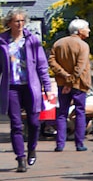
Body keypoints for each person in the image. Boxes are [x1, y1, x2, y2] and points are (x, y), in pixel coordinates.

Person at [0, 9, 53, 172]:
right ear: (9, 23)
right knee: (16, 125)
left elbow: (42, 66)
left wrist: (48, 88)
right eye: (16, 21)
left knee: (34, 122)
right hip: (11, 87)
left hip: (31, 86)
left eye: (22, 21)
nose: (20, 24)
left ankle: (32, 149)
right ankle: (20, 158)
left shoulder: (32, 40)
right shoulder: (2, 41)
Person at [49, 18, 93, 152]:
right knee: (80, 112)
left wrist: (64, 76)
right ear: (80, 31)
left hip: (63, 83)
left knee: (62, 113)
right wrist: (71, 80)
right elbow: (80, 67)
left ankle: (60, 144)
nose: (89, 30)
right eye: (87, 28)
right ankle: (79, 143)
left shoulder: (58, 43)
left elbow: (52, 61)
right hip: (79, 84)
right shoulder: (83, 45)